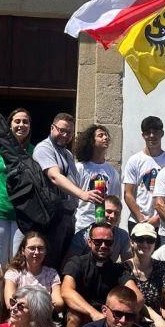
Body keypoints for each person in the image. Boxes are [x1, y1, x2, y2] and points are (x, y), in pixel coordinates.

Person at [34, 112, 104, 269]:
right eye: (61, 130)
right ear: (52, 128)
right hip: (52, 218)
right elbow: (54, 176)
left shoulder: (67, 153)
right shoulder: (44, 148)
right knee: (50, 263)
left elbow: (72, 181)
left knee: (64, 262)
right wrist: (83, 194)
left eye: (69, 132)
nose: (65, 135)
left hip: (68, 217)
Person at [60, 222, 142, 327]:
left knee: (133, 317)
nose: (103, 246)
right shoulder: (77, 263)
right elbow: (66, 291)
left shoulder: (119, 270)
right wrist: (93, 313)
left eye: (108, 242)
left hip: (110, 315)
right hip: (84, 312)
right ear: (89, 242)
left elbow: (138, 297)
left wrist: (113, 314)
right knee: (74, 318)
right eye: (98, 242)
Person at [0, 108, 32, 265]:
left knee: (18, 260)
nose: (21, 125)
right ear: (9, 125)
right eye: (17, 121)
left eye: (25, 122)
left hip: (23, 213)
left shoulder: (34, 151)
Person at [122, 116, 165, 231]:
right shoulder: (134, 160)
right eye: (148, 133)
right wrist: (140, 218)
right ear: (143, 135)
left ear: (162, 133)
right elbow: (128, 194)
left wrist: (158, 218)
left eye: (155, 132)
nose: (152, 136)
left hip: (162, 223)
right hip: (137, 221)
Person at [72, 124, 120, 235]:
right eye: (100, 135)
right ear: (91, 141)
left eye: (106, 135)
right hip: (82, 223)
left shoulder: (112, 172)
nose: (105, 138)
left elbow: (114, 200)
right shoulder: (80, 168)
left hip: (103, 226)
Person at [3, 231, 63, 311]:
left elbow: (58, 302)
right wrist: (42, 305)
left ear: (45, 251)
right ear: (23, 251)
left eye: (40, 248)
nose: (36, 252)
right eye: (32, 248)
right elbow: (10, 303)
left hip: (44, 317)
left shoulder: (51, 274)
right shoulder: (14, 273)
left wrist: (25, 305)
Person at [67, 194, 131, 263]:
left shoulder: (123, 236)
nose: (112, 216)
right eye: (109, 211)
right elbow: (69, 263)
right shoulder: (83, 236)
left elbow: (128, 263)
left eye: (116, 213)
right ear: (99, 212)